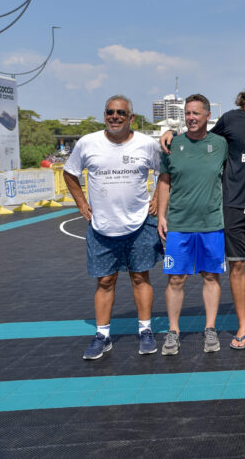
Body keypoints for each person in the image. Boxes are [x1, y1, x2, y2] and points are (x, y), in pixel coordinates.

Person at [160, 71, 245, 350]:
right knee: (237, 264)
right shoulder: (231, 119)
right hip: (234, 203)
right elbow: (199, 137)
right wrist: (173, 133)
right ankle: (242, 323)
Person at [64, 95, 163, 360]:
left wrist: (156, 199)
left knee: (140, 277)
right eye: (110, 112)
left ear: (131, 117)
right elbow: (69, 173)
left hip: (140, 223)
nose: (115, 116)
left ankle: (145, 330)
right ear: (105, 115)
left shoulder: (147, 144)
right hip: (102, 226)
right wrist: (81, 202)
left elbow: (165, 171)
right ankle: (103, 336)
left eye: (121, 112)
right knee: (105, 280)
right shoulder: (88, 143)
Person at [156, 94, 228, 355]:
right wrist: (161, 216)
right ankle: (173, 331)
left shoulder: (220, 144)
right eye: (187, 113)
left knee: (211, 276)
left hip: (212, 222)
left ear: (208, 115)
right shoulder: (172, 144)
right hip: (179, 223)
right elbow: (165, 181)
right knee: (176, 279)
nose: (191, 117)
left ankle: (210, 329)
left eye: (196, 113)